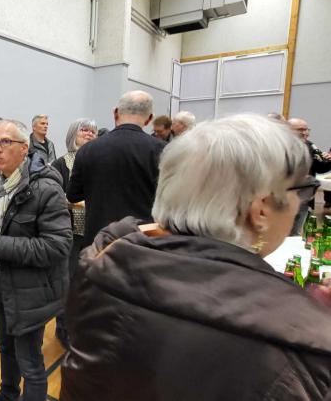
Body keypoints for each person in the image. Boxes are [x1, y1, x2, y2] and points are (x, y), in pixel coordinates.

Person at [60, 114, 331, 401]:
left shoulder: (105, 262)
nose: (299, 204)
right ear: (261, 210)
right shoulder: (304, 352)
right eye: (300, 190)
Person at [0, 119, 71, 401]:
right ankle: (7, 394)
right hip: (4, 283)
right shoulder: (0, 182)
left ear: (24, 148)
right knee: (5, 348)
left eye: (5, 142)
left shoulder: (46, 189)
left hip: (32, 290)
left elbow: (58, 245)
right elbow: (7, 225)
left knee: (30, 362)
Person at [67, 90, 166, 249]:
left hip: (98, 243)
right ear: (149, 119)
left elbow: (72, 195)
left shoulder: (88, 150)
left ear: (115, 113)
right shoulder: (162, 151)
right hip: (142, 243)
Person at [51, 118, 97, 345]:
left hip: (94, 231)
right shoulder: (60, 164)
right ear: (72, 135)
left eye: (93, 131)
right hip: (69, 233)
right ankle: (64, 328)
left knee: (90, 281)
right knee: (67, 282)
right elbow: (53, 198)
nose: (89, 134)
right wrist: (78, 204)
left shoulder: (101, 162)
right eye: (84, 130)